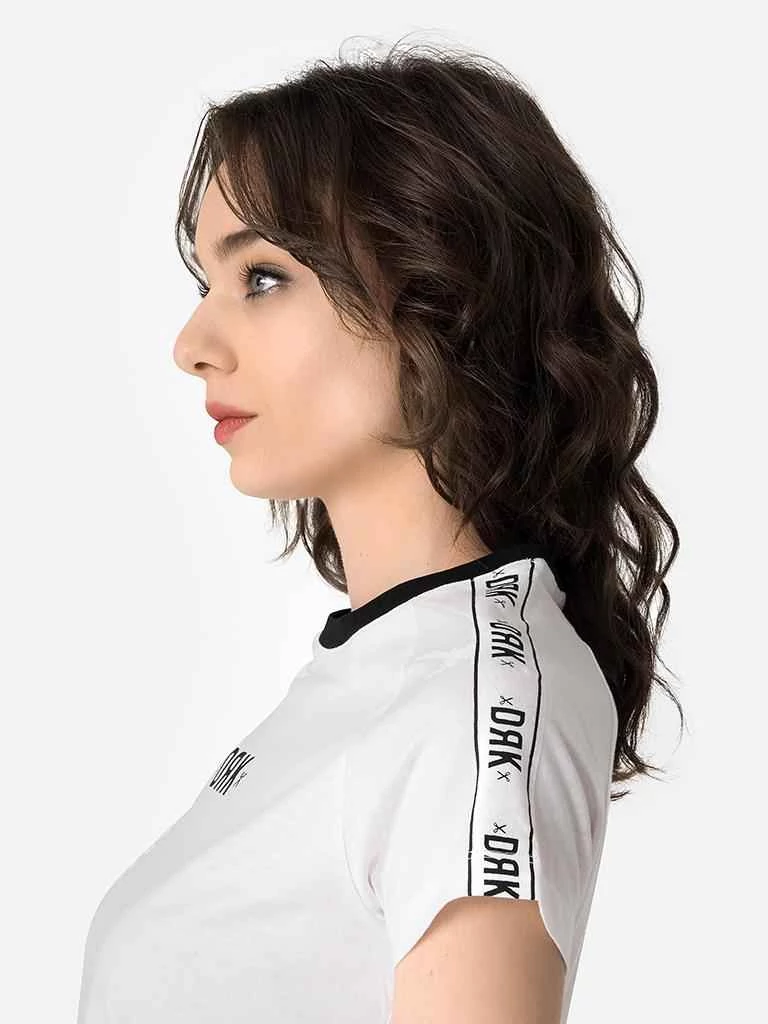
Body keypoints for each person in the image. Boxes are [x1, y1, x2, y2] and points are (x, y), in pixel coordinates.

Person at [76, 36, 682, 1024]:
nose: (192, 346)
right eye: (205, 285)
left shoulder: (470, 705)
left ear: (442, 295)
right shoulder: (392, 672)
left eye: (262, 277)